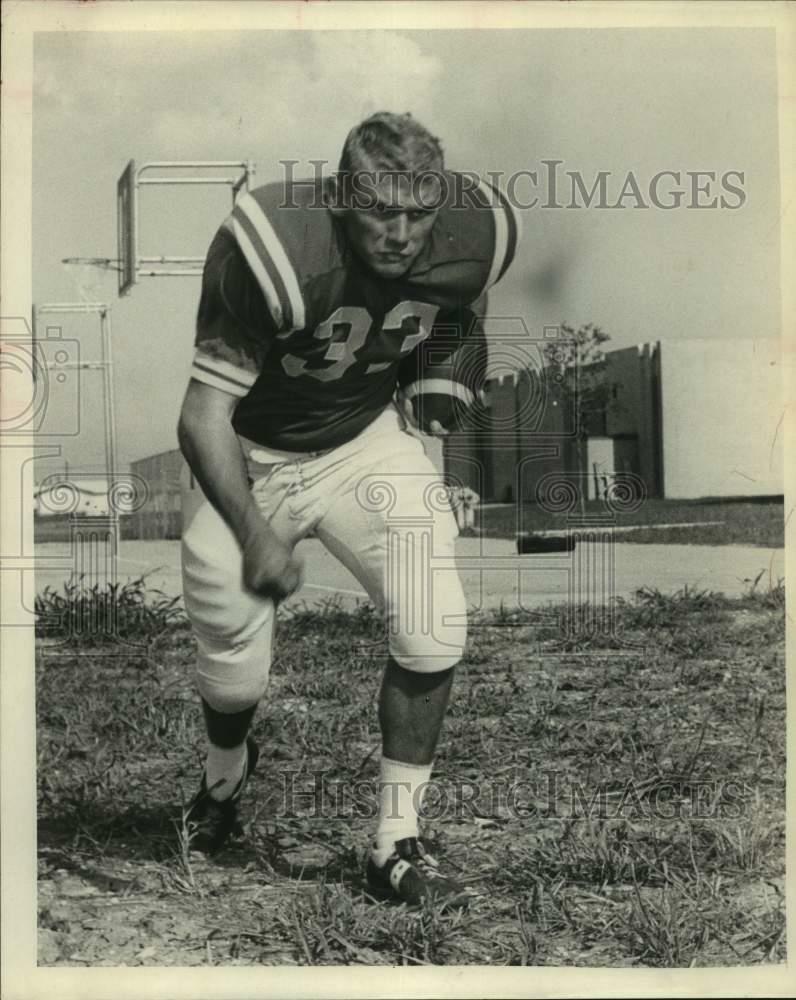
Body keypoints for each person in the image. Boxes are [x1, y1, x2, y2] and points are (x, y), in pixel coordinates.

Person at [177, 111, 519, 907]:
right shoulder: (272, 245)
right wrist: (256, 535)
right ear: (339, 196)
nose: (401, 235)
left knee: (434, 623)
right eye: (378, 212)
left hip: (362, 442)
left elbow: (466, 304)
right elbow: (201, 419)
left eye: (419, 213)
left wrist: (448, 369)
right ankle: (224, 779)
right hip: (250, 452)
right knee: (233, 670)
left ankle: (396, 841)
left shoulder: (477, 230)